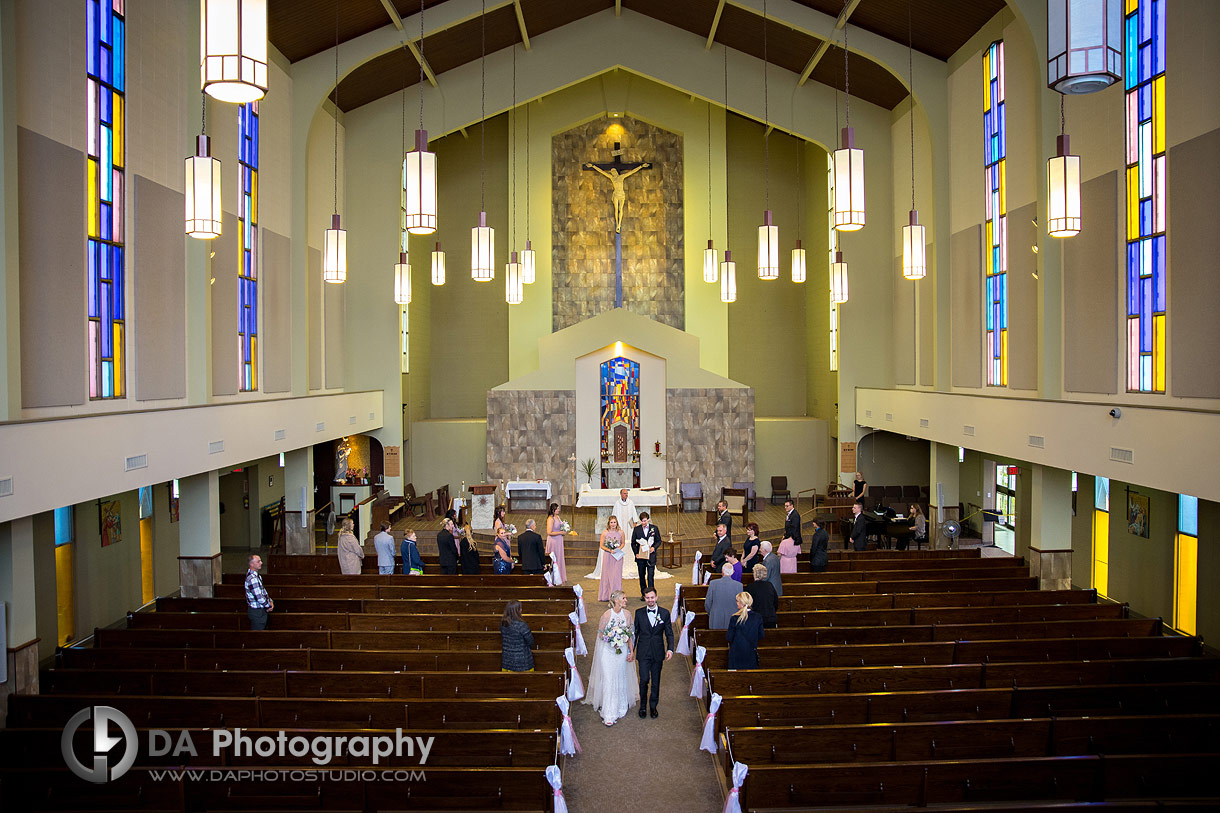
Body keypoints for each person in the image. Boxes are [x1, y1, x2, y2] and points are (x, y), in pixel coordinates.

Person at [583, 590, 639, 726]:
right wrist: (613, 638)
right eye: (624, 598)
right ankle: (609, 712)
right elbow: (601, 634)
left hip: (622, 652)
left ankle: (620, 705)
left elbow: (630, 636)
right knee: (608, 678)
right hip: (608, 652)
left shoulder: (628, 614)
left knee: (620, 676)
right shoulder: (606, 615)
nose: (626, 600)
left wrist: (631, 652)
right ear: (616, 600)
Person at [632, 587, 674, 719]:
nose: (650, 600)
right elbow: (635, 633)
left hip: (657, 652)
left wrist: (670, 649)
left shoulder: (665, 613)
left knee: (656, 681)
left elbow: (669, 634)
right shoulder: (638, 613)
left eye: (652, 597)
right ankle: (643, 706)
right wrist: (631, 650)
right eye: (647, 598)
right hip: (643, 652)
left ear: (656, 597)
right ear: (644, 598)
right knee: (644, 679)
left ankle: (653, 706)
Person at [726, 591, 765, 669]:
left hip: (736, 654)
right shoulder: (757, 617)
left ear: (741, 603)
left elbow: (729, 637)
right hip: (750, 653)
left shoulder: (734, 618)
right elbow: (761, 635)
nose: (736, 603)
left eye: (737, 601)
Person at [630, 511, 661, 597]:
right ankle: (644, 594)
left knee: (650, 575)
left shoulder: (654, 528)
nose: (643, 523)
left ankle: (651, 594)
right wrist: (636, 553)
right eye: (642, 521)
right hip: (641, 557)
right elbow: (633, 543)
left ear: (648, 520)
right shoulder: (637, 529)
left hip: (651, 556)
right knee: (642, 576)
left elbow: (658, 541)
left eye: (645, 521)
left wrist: (653, 548)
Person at [705, 563, 743, 630]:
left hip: (715, 618)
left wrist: (712, 613)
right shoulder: (739, 586)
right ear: (733, 572)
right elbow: (741, 604)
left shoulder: (713, 584)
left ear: (722, 571)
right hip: (733, 618)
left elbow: (707, 603)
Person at [500, 600, 535, 672]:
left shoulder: (503, 624)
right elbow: (531, 642)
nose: (521, 610)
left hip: (507, 660)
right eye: (520, 608)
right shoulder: (521, 625)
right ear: (517, 611)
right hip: (522, 662)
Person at [597, 515, 626, 601]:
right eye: (611, 522)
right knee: (607, 575)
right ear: (609, 523)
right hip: (608, 556)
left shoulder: (621, 532)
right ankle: (606, 595)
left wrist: (617, 549)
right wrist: (610, 550)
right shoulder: (605, 532)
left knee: (616, 576)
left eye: (614, 522)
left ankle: (617, 596)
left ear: (617, 523)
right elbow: (601, 545)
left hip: (617, 557)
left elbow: (623, 543)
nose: (613, 524)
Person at [744, 563, 778, 628]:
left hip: (756, 618)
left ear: (755, 574)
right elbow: (775, 602)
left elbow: (747, 604)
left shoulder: (750, 587)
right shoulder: (769, 585)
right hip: (770, 617)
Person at [244, 554, 273, 630]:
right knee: (257, 635)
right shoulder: (252, 579)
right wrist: (269, 606)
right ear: (251, 564)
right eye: (258, 561)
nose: (261, 563)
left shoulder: (257, 576)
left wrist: (270, 601)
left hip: (261, 610)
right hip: (257, 612)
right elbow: (259, 597)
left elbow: (263, 591)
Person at [545, 503, 567, 586]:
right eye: (557, 509)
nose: (559, 510)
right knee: (554, 559)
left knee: (559, 558)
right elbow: (549, 532)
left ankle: (560, 577)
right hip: (553, 541)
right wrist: (560, 532)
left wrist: (564, 530)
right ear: (553, 510)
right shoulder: (550, 519)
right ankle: (553, 579)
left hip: (558, 540)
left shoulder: (557, 517)